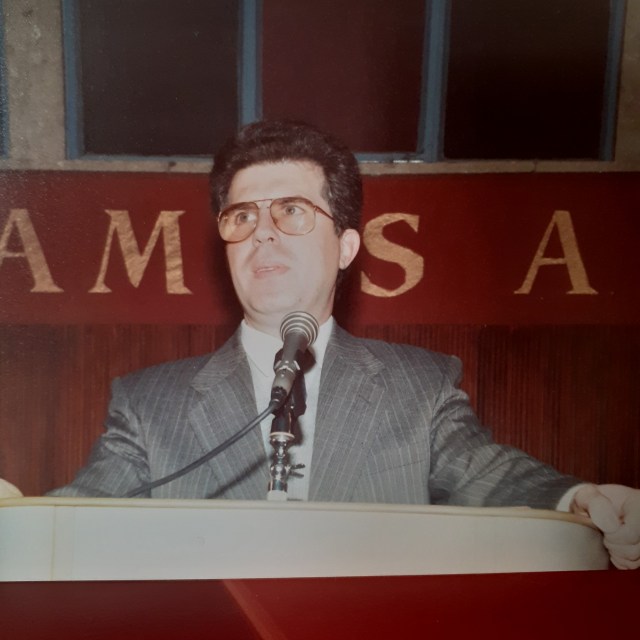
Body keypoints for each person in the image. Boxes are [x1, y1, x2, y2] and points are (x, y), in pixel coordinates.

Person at [1, 121, 639, 569]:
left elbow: (489, 474)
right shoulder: (148, 403)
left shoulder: (418, 387)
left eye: (292, 211)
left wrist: (584, 500)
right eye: (242, 216)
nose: (263, 233)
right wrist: (11, 517)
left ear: (347, 246)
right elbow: (80, 513)